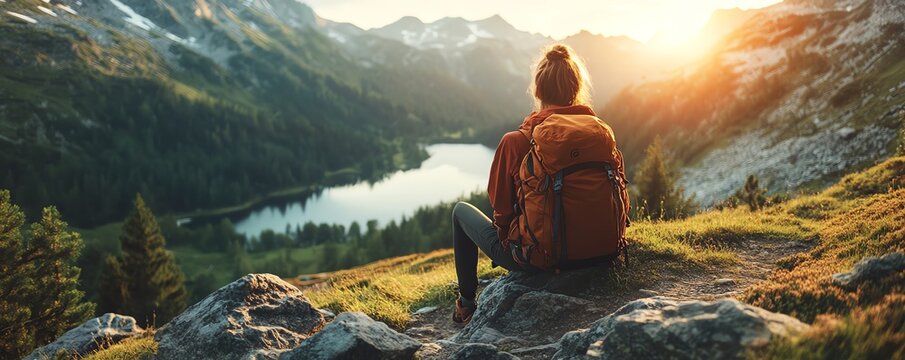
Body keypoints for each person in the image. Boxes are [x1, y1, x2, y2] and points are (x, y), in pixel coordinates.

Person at [452, 43, 623, 324]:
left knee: (460, 211)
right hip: (603, 250)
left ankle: (467, 303)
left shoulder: (517, 141)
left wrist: (515, 238)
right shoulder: (599, 132)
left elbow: (502, 211)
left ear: (538, 91)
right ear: (576, 89)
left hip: (541, 259)